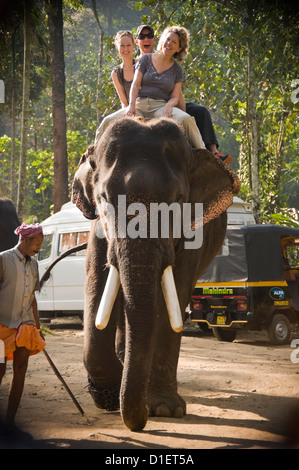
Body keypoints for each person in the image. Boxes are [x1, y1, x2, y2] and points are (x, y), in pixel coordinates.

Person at [95, 26, 205, 149]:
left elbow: (175, 96)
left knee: (187, 119)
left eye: (174, 42)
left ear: (179, 48)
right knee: (106, 121)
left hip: (160, 107)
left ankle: (204, 154)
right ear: (163, 40)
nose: (169, 43)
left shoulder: (177, 70)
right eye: (168, 39)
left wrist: (169, 105)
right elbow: (135, 84)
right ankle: (91, 158)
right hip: (139, 105)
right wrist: (131, 106)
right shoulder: (145, 59)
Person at [135, 25, 231, 163]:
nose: (146, 39)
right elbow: (133, 86)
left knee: (200, 112)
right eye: (142, 37)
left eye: (149, 36)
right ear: (137, 41)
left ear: (155, 40)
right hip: (143, 103)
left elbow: (176, 93)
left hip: (166, 102)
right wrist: (131, 106)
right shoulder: (137, 62)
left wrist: (178, 110)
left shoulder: (171, 64)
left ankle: (211, 154)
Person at [0, 223, 45, 425]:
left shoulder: (34, 264)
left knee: (21, 368)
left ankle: (9, 421)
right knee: (0, 370)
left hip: (25, 325)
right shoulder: (3, 259)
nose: (38, 248)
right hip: (2, 325)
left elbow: (32, 299)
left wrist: (37, 327)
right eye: (37, 244)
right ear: (26, 241)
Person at [111, 30, 136, 108]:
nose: (125, 49)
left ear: (133, 45)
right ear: (117, 46)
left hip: (144, 107)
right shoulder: (116, 73)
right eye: (122, 45)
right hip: (129, 110)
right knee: (106, 120)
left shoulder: (141, 64)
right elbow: (124, 102)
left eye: (128, 45)